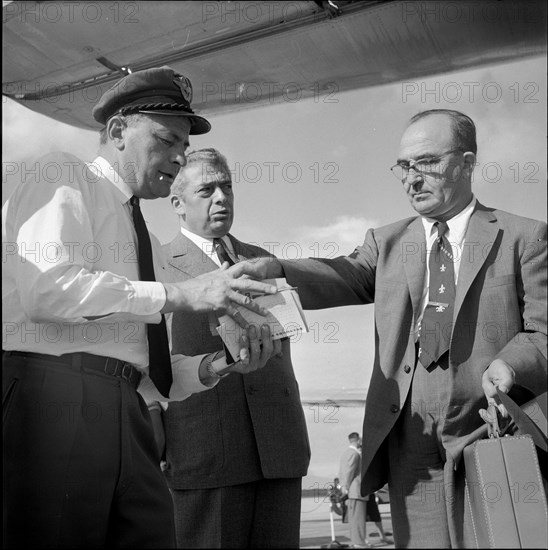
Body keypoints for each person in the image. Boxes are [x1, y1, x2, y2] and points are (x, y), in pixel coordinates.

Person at [2, 67, 281, 549]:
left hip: (130, 412)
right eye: (167, 138)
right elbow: (50, 292)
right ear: (117, 131)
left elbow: (146, 365)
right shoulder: (64, 175)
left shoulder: (145, 239)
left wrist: (220, 366)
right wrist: (180, 294)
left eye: (184, 148)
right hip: (54, 399)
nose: (178, 157)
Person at [246, 109, 547, 547]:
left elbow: (543, 331)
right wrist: (277, 268)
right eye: (403, 166)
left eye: (425, 162)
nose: (411, 177)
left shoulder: (526, 237)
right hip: (408, 441)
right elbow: (339, 274)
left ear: (466, 162)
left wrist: (510, 365)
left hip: (490, 431)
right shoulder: (386, 243)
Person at [149, 148, 310, 548]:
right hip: (204, 455)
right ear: (177, 204)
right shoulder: (154, 268)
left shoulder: (265, 262)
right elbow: (150, 367)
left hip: (278, 451)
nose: (222, 197)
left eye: (227, 186)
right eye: (207, 189)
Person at [338, 432, 369, 548]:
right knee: (358, 518)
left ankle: (357, 541)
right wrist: (345, 486)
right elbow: (348, 472)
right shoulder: (354, 454)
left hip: (352, 490)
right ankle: (359, 542)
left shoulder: (346, 453)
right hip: (356, 490)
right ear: (357, 440)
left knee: (354, 518)